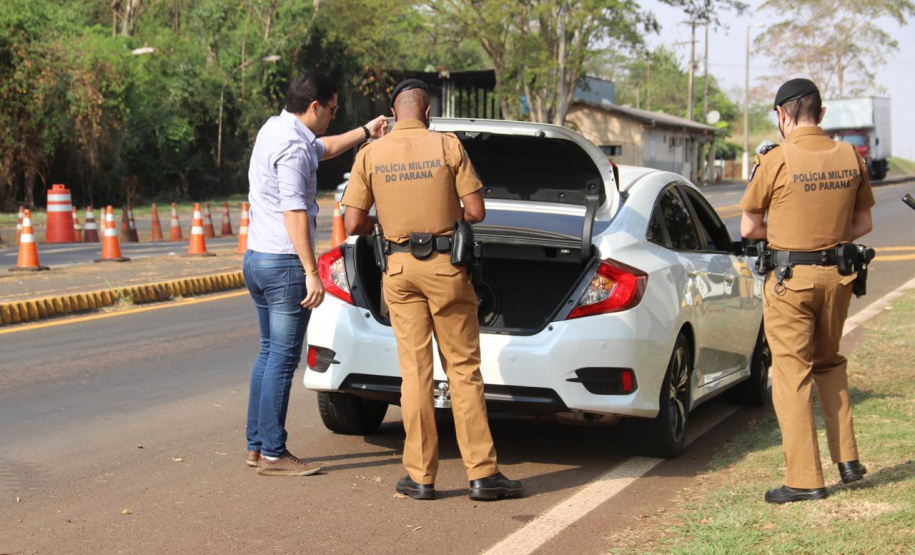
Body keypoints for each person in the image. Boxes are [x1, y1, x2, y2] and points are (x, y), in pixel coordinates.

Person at [341, 79, 523, 501]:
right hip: (445, 268)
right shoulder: (447, 146)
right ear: (427, 112)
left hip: (399, 271)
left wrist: (384, 224)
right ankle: (481, 474)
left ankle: (420, 477)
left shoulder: (370, 153)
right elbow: (475, 211)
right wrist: (443, 209)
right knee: (462, 370)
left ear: (392, 113)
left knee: (415, 373)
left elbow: (353, 224)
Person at [244, 71, 386, 476]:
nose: (332, 116)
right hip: (285, 263)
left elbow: (321, 148)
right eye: (332, 110)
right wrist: (310, 271)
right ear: (314, 107)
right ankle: (273, 453)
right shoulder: (291, 147)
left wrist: (363, 131)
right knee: (282, 360)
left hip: (258, 258)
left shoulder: (276, 128)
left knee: (269, 354)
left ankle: (257, 447)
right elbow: (293, 210)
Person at [739, 78, 874, 504]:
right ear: (822, 112)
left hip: (790, 282)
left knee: (792, 374)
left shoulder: (776, 159)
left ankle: (803, 479)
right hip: (838, 279)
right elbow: (863, 223)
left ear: (781, 115)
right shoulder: (851, 155)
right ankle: (847, 459)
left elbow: (749, 228)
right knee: (830, 363)